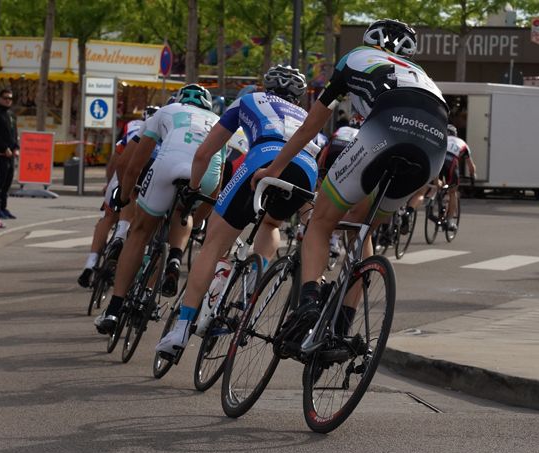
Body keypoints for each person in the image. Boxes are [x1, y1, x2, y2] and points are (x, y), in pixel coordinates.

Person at [251, 19, 448, 340]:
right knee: (362, 225)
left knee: (321, 220)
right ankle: (342, 327)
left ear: (371, 42)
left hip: (388, 125)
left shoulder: (355, 57)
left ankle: (309, 303)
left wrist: (272, 170)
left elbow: (309, 128)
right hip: (434, 145)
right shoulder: (424, 76)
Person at [153, 65, 320, 356]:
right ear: (298, 96)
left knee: (213, 244)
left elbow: (205, 152)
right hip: (306, 170)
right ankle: (256, 273)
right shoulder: (306, 116)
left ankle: (181, 330)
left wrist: (194, 188)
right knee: (271, 224)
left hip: (263, 160)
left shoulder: (248, 100)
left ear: (265, 86)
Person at [94, 84, 226, 335]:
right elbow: (215, 190)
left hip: (170, 164)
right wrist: (194, 222)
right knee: (181, 214)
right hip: (205, 175)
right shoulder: (218, 120)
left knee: (141, 232)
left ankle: (113, 308)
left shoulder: (165, 111)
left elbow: (130, 166)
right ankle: (175, 259)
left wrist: (122, 199)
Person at [77, 106, 159, 288]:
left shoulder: (132, 126)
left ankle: (90, 263)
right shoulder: (167, 130)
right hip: (149, 178)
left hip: (122, 177)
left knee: (108, 217)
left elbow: (116, 161)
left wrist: (109, 183)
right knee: (143, 224)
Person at [0, 88, 19, 219]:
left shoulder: (11, 115)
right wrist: (4, 147)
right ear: (0, 99)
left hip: (10, 156)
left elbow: (14, 134)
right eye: (5, 98)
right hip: (0, 155)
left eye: (10, 99)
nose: (8, 101)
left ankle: (3, 207)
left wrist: (16, 148)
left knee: (7, 183)